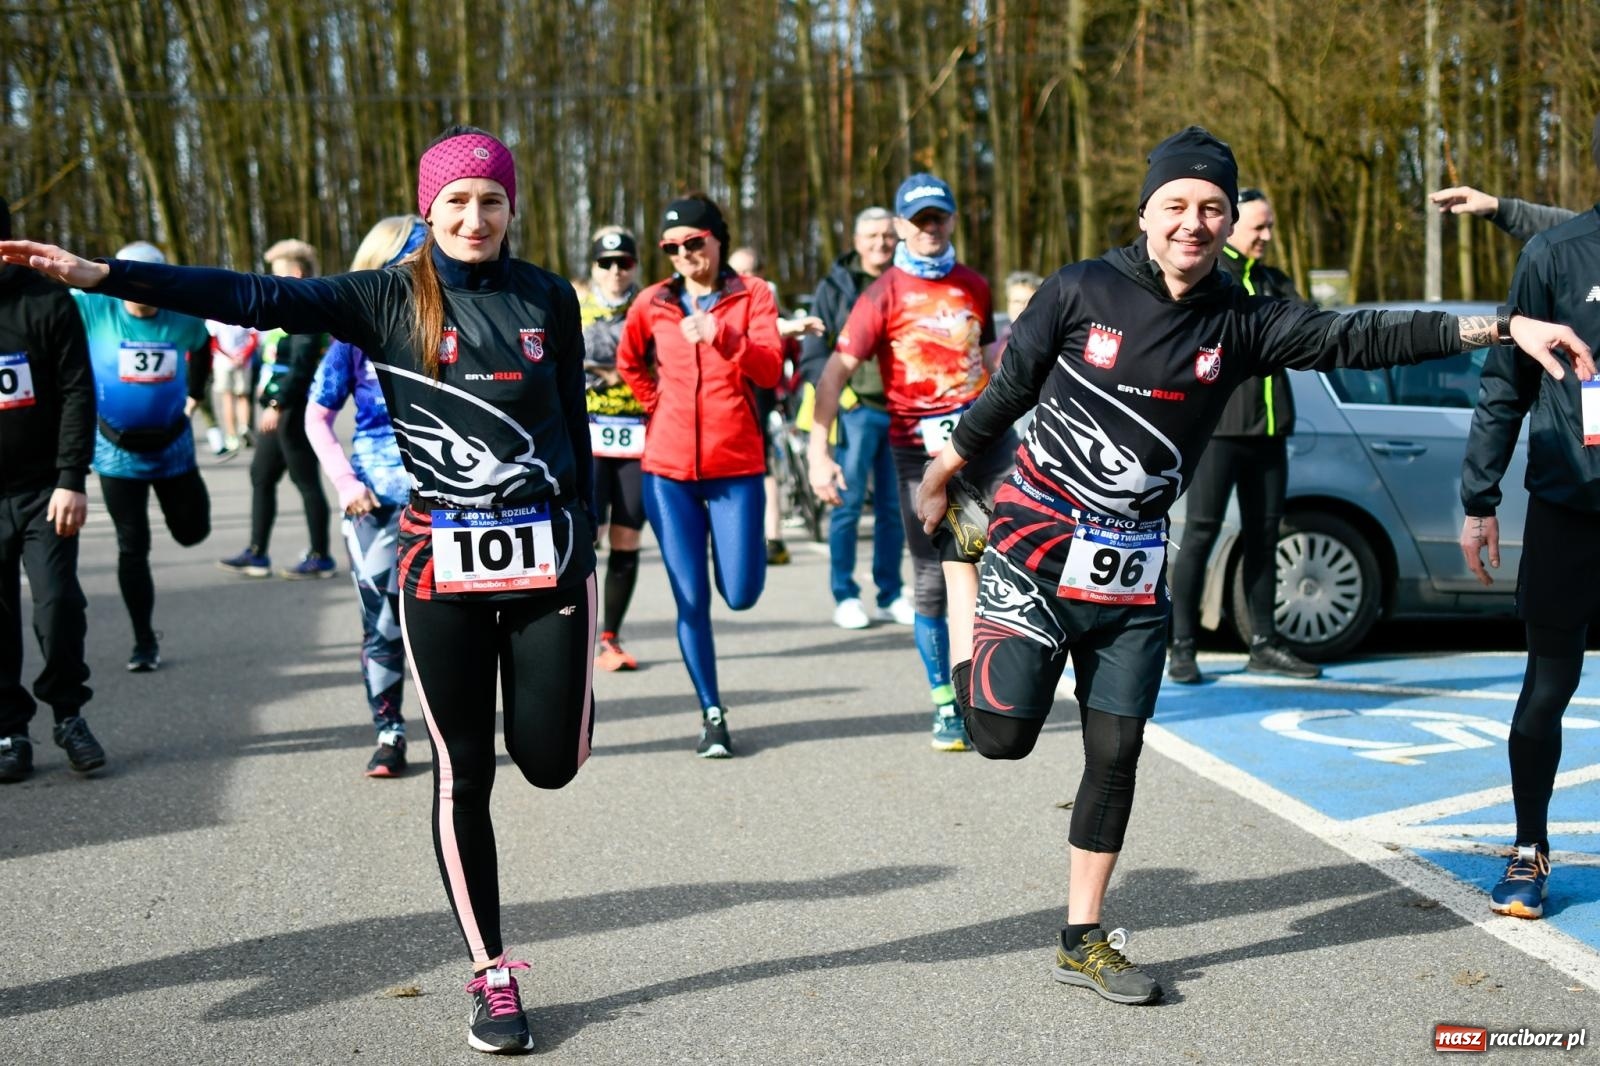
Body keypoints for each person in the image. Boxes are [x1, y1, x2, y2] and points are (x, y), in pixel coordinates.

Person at [909, 125, 1591, 1005]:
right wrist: (945, 471)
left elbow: (1365, 339)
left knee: (1116, 755)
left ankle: (1083, 936)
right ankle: (966, 571)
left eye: (1212, 210)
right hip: (1033, 552)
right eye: (1177, 207)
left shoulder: (1243, 318)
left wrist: (1503, 323)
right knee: (1001, 738)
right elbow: (1008, 391)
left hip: (1133, 579)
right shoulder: (1081, 289)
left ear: (1229, 223)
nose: (1193, 224)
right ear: (1146, 212)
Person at [2, 124, 599, 1054]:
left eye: (491, 199)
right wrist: (107, 275)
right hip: (437, 565)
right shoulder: (385, 298)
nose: (475, 216)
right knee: (463, 773)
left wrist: (587, 548)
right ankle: (491, 976)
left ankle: (548, 737)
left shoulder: (547, 298)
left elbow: (570, 417)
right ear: (429, 210)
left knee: (551, 760)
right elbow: (251, 295)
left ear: (513, 206)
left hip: (547, 564)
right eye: (455, 202)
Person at [808, 173, 1018, 752]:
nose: (929, 229)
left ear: (951, 221)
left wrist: (1019, 347)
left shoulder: (973, 284)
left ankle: (1002, 677)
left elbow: (986, 357)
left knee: (1007, 550)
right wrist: (818, 450)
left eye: (938, 218)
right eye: (918, 219)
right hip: (917, 452)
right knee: (931, 580)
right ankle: (947, 702)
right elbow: (834, 372)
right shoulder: (882, 294)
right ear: (902, 226)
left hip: (985, 439)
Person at [1457, 115, 1600, 921]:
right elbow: (1503, 383)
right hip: (1571, 508)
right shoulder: (1557, 254)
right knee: (1549, 688)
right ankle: (1529, 847)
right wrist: (1480, 500)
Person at [615, 195, 782, 758]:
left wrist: (721, 335)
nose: (685, 255)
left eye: (694, 243)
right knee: (690, 601)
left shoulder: (752, 294)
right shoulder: (652, 302)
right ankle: (711, 711)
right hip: (667, 472)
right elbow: (628, 361)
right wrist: (653, 402)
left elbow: (770, 367)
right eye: (673, 247)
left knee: (739, 594)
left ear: (717, 240)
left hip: (736, 467)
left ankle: (741, 559)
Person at [1167, 187, 1320, 684]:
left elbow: (1307, 337)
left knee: (1265, 538)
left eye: (1270, 226)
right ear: (1233, 227)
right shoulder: (1213, 276)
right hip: (1220, 430)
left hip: (1271, 430)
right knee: (1201, 535)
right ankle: (1181, 645)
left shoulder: (1275, 280)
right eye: (1259, 227)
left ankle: (1264, 642)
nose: (1267, 236)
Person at [303, 216, 427, 778]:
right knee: (381, 624)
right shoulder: (353, 338)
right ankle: (390, 731)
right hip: (373, 505)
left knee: (446, 624)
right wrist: (347, 485)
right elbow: (316, 418)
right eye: (418, 257)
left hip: (446, 506)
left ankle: (455, 729)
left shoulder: (453, 325)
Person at [73, 240, 213, 673]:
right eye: (132, 282)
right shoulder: (94, 310)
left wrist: (194, 396)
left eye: (149, 283)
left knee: (193, 532)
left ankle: (188, 518)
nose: (140, 293)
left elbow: (204, 350)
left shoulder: (183, 319)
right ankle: (143, 640)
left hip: (173, 447)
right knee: (133, 548)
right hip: (116, 452)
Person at [0, 195, 102, 782]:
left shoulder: (45, 299)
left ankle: (69, 714)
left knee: (57, 603)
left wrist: (71, 479)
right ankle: (9, 729)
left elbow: (75, 392)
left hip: (45, 489)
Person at [799, 206, 912, 631]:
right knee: (845, 506)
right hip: (855, 411)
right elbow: (814, 355)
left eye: (887, 235)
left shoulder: (910, 280)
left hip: (903, 413)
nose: (881, 243)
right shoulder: (835, 287)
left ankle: (890, 593)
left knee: (894, 508)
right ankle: (845, 595)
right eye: (871, 237)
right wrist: (841, 399)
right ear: (856, 240)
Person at [217, 239, 335, 579]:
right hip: (278, 408)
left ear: (295, 274)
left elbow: (301, 366)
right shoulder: (287, 308)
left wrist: (277, 403)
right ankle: (257, 552)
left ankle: (320, 556)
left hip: (293, 409)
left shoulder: (308, 308)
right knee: (261, 475)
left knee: (305, 478)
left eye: (277, 274)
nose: (272, 280)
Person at [581, 225, 647, 671]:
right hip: (586, 436)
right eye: (606, 263)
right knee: (586, 538)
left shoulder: (649, 308)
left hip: (638, 434)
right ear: (593, 268)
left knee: (626, 537)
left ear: (635, 266)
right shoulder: (574, 308)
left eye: (623, 262)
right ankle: (576, 633)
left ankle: (610, 637)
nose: (615, 271)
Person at [209, 314, 256, 453]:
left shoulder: (215, 315)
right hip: (243, 360)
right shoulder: (245, 312)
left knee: (227, 398)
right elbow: (253, 338)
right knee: (243, 396)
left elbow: (213, 341)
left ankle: (231, 435)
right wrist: (242, 355)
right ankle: (244, 426)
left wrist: (230, 357)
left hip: (224, 361)